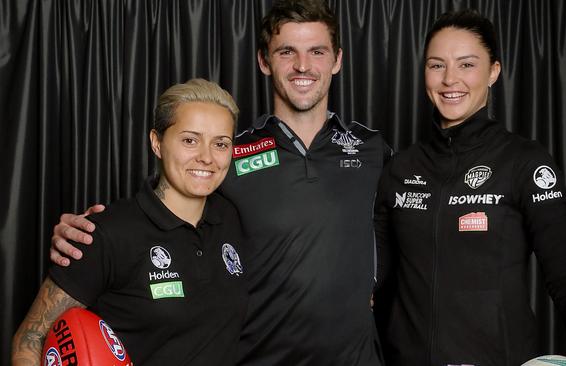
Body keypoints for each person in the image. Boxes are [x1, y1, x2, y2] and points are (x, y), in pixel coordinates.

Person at [48, 1, 391, 365]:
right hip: (258, 357)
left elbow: (402, 228)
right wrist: (90, 235)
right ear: (263, 60)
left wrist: (371, 281)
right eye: (287, 51)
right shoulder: (230, 154)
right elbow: (162, 209)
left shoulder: (372, 149)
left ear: (337, 60)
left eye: (317, 52)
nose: (303, 66)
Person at [373, 9, 566, 366]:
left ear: (494, 72)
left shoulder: (524, 162)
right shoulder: (399, 169)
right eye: (436, 65)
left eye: (467, 65)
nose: (449, 79)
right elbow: (370, 278)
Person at [12, 79, 248, 365]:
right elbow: (30, 337)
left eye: (220, 144)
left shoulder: (232, 218)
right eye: (190, 140)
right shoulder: (104, 234)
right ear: (157, 143)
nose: (206, 157)